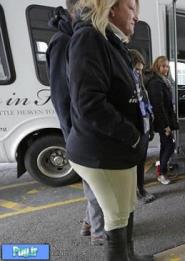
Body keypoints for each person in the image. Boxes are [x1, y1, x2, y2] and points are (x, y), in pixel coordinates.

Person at [67, 0, 153, 260]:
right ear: (111, 8)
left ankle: (130, 256)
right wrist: (134, 135)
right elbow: (89, 104)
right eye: (131, 8)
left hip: (119, 150)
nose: (136, 16)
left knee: (126, 207)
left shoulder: (109, 41)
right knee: (116, 216)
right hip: (104, 152)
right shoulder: (89, 39)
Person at [46, 0, 105, 246]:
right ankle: (100, 234)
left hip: (80, 129)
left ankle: (89, 223)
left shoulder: (73, 36)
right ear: (76, 8)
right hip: (79, 131)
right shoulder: (63, 41)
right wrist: (74, 134)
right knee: (95, 184)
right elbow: (62, 94)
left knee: (91, 182)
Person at [145, 56, 179, 185]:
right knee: (170, 146)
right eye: (163, 66)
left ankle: (162, 170)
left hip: (165, 119)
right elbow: (158, 106)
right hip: (163, 121)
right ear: (157, 66)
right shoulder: (156, 82)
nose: (166, 68)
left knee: (165, 145)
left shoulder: (163, 80)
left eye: (167, 66)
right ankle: (161, 173)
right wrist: (166, 126)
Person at [128, 49, 156, 204]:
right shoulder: (127, 83)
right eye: (136, 69)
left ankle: (141, 188)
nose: (139, 73)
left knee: (141, 160)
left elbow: (146, 104)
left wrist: (150, 127)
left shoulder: (140, 82)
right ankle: (136, 191)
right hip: (133, 130)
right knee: (133, 163)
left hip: (143, 127)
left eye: (140, 70)